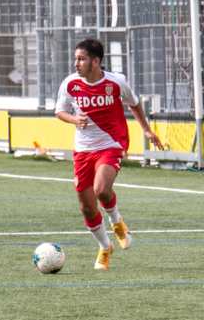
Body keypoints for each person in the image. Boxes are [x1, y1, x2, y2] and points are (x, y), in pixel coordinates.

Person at [55, 38, 164, 269]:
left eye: (81, 59)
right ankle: (105, 247)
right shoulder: (70, 83)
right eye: (75, 58)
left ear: (95, 61)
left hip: (112, 143)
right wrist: (75, 119)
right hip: (83, 149)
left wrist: (146, 129)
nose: (76, 63)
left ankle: (117, 223)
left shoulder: (116, 82)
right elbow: (60, 111)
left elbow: (133, 103)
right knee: (86, 207)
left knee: (101, 189)